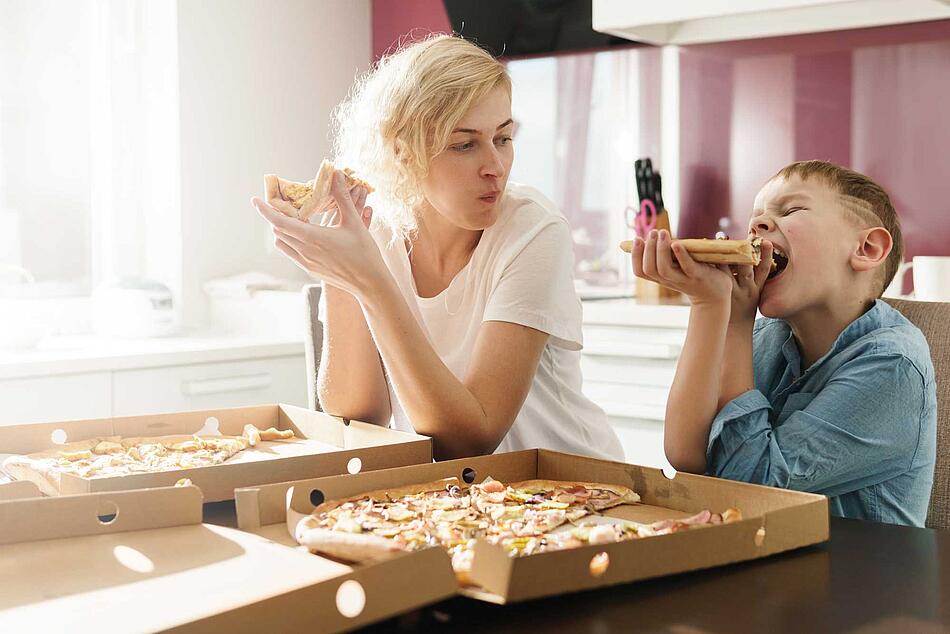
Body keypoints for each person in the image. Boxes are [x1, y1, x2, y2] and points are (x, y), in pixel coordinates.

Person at [251, 34, 622, 462]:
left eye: (503, 138)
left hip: (573, 495)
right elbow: (358, 412)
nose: (495, 167)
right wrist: (340, 275)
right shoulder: (376, 232)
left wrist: (370, 282)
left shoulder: (533, 231)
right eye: (465, 145)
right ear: (403, 154)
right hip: (454, 505)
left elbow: (472, 439)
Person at [630, 160, 936, 526]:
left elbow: (750, 485)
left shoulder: (893, 365)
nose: (756, 225)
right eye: (755, 216)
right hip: (766, 558)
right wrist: (711, 306)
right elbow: (686, 456)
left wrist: (736, 323)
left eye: (791, 210)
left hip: (857, 574)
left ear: (867, 248)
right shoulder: (763, 337)